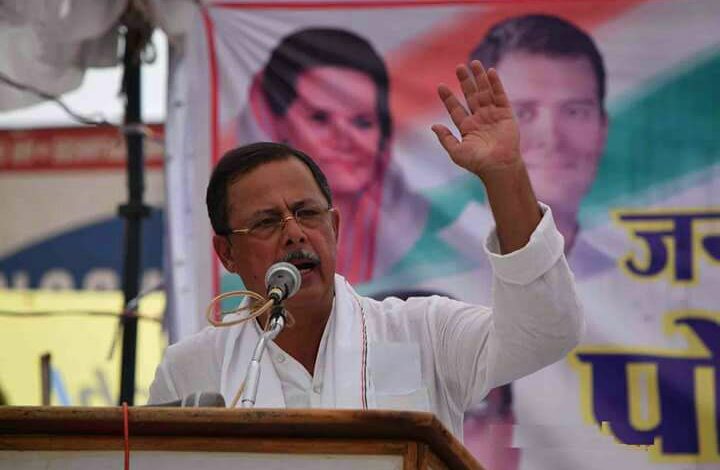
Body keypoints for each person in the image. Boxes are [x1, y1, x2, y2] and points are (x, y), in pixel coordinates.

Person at [148, 59, 584, 441]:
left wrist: (506, 176)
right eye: (266, 222)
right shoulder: (192, 368)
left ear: (334, 227)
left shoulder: (423, 331)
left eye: (307, 213)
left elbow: (545, 332)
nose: (295, 234)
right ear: (226, 253)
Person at [238, 28, 427, 284]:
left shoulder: (436, 240)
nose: (346, 138)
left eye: (362, 122)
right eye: (319, 118)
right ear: (278, 125)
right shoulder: (246, 267)